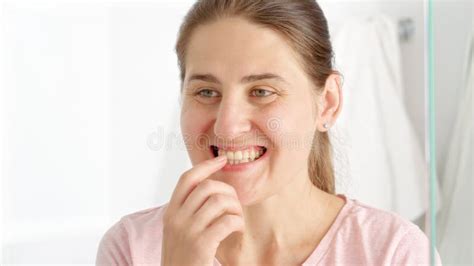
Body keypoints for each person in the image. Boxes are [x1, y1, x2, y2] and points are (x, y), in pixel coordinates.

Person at [96, 0, 442, 265]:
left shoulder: (394, 252)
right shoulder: (132, 247)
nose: (227, 126)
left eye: (262, 91)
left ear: (328, 103)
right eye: (206, 92)